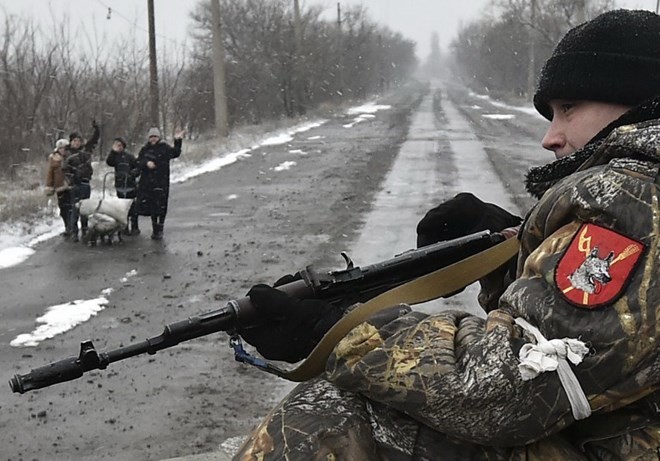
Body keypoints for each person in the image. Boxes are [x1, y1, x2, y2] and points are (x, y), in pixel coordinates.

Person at [233, 9, 660, 460]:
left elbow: (512, 389)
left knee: (331, 413)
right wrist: (514, 260)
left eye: (568, 109)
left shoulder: (634, 198)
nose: (550, 137)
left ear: (636, 99)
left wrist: (341, 332)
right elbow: (595, 349)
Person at [136, 127, 185, 240]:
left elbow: (176, 153)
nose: (153, 139)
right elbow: (138, 161)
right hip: (148, 183)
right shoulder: (144, 149)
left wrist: (178, 141)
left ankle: (161, 228)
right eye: (151, 137)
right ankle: (155, 229)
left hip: (162, 181)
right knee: (152, 206)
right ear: (148, 138)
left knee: (162, 206)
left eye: (155, 136)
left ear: (159, 137)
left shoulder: (164, 148)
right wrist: (146, 163)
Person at [63, 121, 100, 242]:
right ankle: (74, 231)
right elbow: (65, 170)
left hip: (85, 184)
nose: (76, 143)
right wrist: (70, 181)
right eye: (74, 141)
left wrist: (97, 130)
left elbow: (94, 141)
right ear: (71, 142)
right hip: (74, 185)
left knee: (85, 208)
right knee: (74, 209)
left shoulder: (85, 151)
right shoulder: (67, 154)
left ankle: (84, 229)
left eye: (78, 141)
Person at [106, 137, 140, 235]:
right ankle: (124, 227)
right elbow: (109, 162)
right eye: (116, 145)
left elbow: (137, 168)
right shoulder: (114, 156)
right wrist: (113, 151)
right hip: (120, 185)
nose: (118, 147)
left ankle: (135, 226)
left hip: (130, 185)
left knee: (132, 207)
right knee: (122, 208)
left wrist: (132, 174)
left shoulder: (130, 156)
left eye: (120, 145)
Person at [44, 138, 73, 237]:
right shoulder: (54, 159)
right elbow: (50, 173)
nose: (62, 150)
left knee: (71, 207)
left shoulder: (72, 157)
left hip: (71, 186)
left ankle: (71, 227)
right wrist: (49, 186)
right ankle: (67, 226)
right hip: (60, 187)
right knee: (63, 208)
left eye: (64, 148)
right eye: (60, 148)